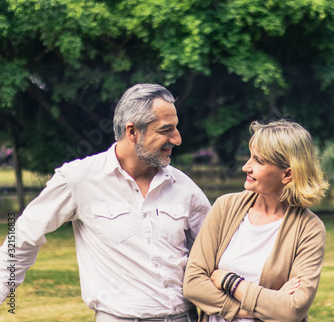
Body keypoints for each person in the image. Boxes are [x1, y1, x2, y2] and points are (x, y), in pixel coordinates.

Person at [0, 84, 211, 321]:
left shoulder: (185, 188)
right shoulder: (79, 179)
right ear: (132, 132)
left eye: (176, 128)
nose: (178, 139)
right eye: (166, 130)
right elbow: (23, 236)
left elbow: (215, 256)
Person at [183, 120, 329, 322]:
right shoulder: (225, 207)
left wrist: (231, 282)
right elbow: (193, 285)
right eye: (249, 157)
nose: (246, 167)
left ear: (287, 174)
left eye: (258, 161)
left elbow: (292, 309)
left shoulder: (309, 229)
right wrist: (260, 306)